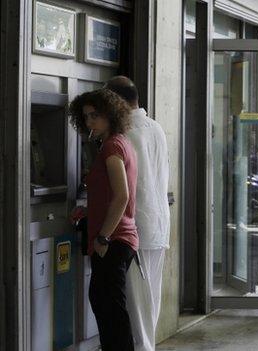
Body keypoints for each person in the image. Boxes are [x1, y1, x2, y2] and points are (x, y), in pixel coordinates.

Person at [69, 89, 138, 351]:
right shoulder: (120, 142)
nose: (89, 123)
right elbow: (111, 195)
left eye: (95, 116)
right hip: (121, 237)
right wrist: (90, 213)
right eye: (86, 117)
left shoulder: (111, 147)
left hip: (114, 239)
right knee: (105, 304)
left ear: (111, 115)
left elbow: (122, 196)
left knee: (111, 311)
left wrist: (102, 236)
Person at [105, 76, 170, 351]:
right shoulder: (156, 128)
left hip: (136, 230)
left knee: (137, 312)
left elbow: (126, 189)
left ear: (116, 102)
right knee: (148, 305)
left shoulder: (127, 134)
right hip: (157, 227)